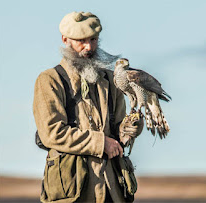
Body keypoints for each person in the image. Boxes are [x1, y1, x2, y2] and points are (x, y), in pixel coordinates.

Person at [33, 11, 143, 202]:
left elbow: (117, 129)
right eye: (81, 41)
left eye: (93, 39)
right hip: (73, 190)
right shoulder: (50, 80)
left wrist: (130, 128)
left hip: (113, 189)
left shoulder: (110, 79)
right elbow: (52, 133)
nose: (88, 47)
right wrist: (101, 144)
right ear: (65, 39)